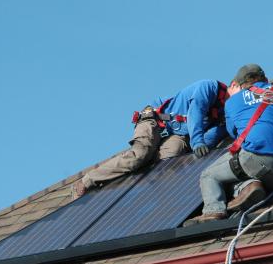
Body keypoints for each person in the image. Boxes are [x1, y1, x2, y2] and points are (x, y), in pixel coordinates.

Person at [184, 64, 273, 226]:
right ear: (265, 79)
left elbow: (235, 133)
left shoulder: (233, 101)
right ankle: (250, 186)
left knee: (210, 175)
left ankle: (214, 211)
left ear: (240, 84)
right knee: (238, 173)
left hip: (258, 160)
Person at [74, 79, 229, 197]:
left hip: (178, 135)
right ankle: (86, 181)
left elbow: (211, 138)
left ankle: (141, 191)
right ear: (234, 84)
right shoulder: (209, 87)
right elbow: (195, 112)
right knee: (140, 155)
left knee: (170, 160)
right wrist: (197, 142)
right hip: (155, 119)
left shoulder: (226, 113)